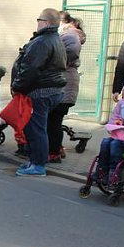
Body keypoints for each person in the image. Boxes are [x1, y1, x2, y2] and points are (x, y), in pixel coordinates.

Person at [11, 8, 67, 177]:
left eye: (39, 19)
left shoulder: (42, 41)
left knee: (36, 128)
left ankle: (38, 164)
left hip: (40, 91)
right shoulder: (56, 40)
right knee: (39, 127)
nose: (37, 22)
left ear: (47, 22)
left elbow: (31, 68)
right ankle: (35, 160)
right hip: (53, 90)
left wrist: (18, 85)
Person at [47, 11, 86, 163]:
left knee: (54, 121)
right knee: (54, 121)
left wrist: (58, 60)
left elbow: (71, 51)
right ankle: (56, 149)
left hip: (64, 84)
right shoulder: (70, 34)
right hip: (65, 83)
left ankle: (54, 152)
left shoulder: (69, 35)